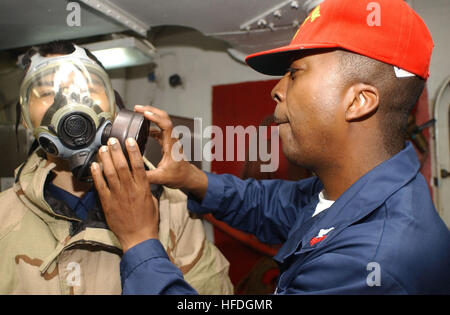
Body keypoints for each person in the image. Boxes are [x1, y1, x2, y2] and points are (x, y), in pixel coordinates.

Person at [91, 0, 450, 294]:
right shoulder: (351, 193)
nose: (277, 89)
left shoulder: (373, 260)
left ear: (358, 102)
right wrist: (191, 178)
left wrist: (139, 241)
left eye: (295, 73)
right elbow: (271, 206)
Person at [0, 41, 233, 294]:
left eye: (88, 88)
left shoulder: (170, 206)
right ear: (24, 118)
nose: (69, 102)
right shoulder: (4, 218)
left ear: (114, 108)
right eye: (46, 93)